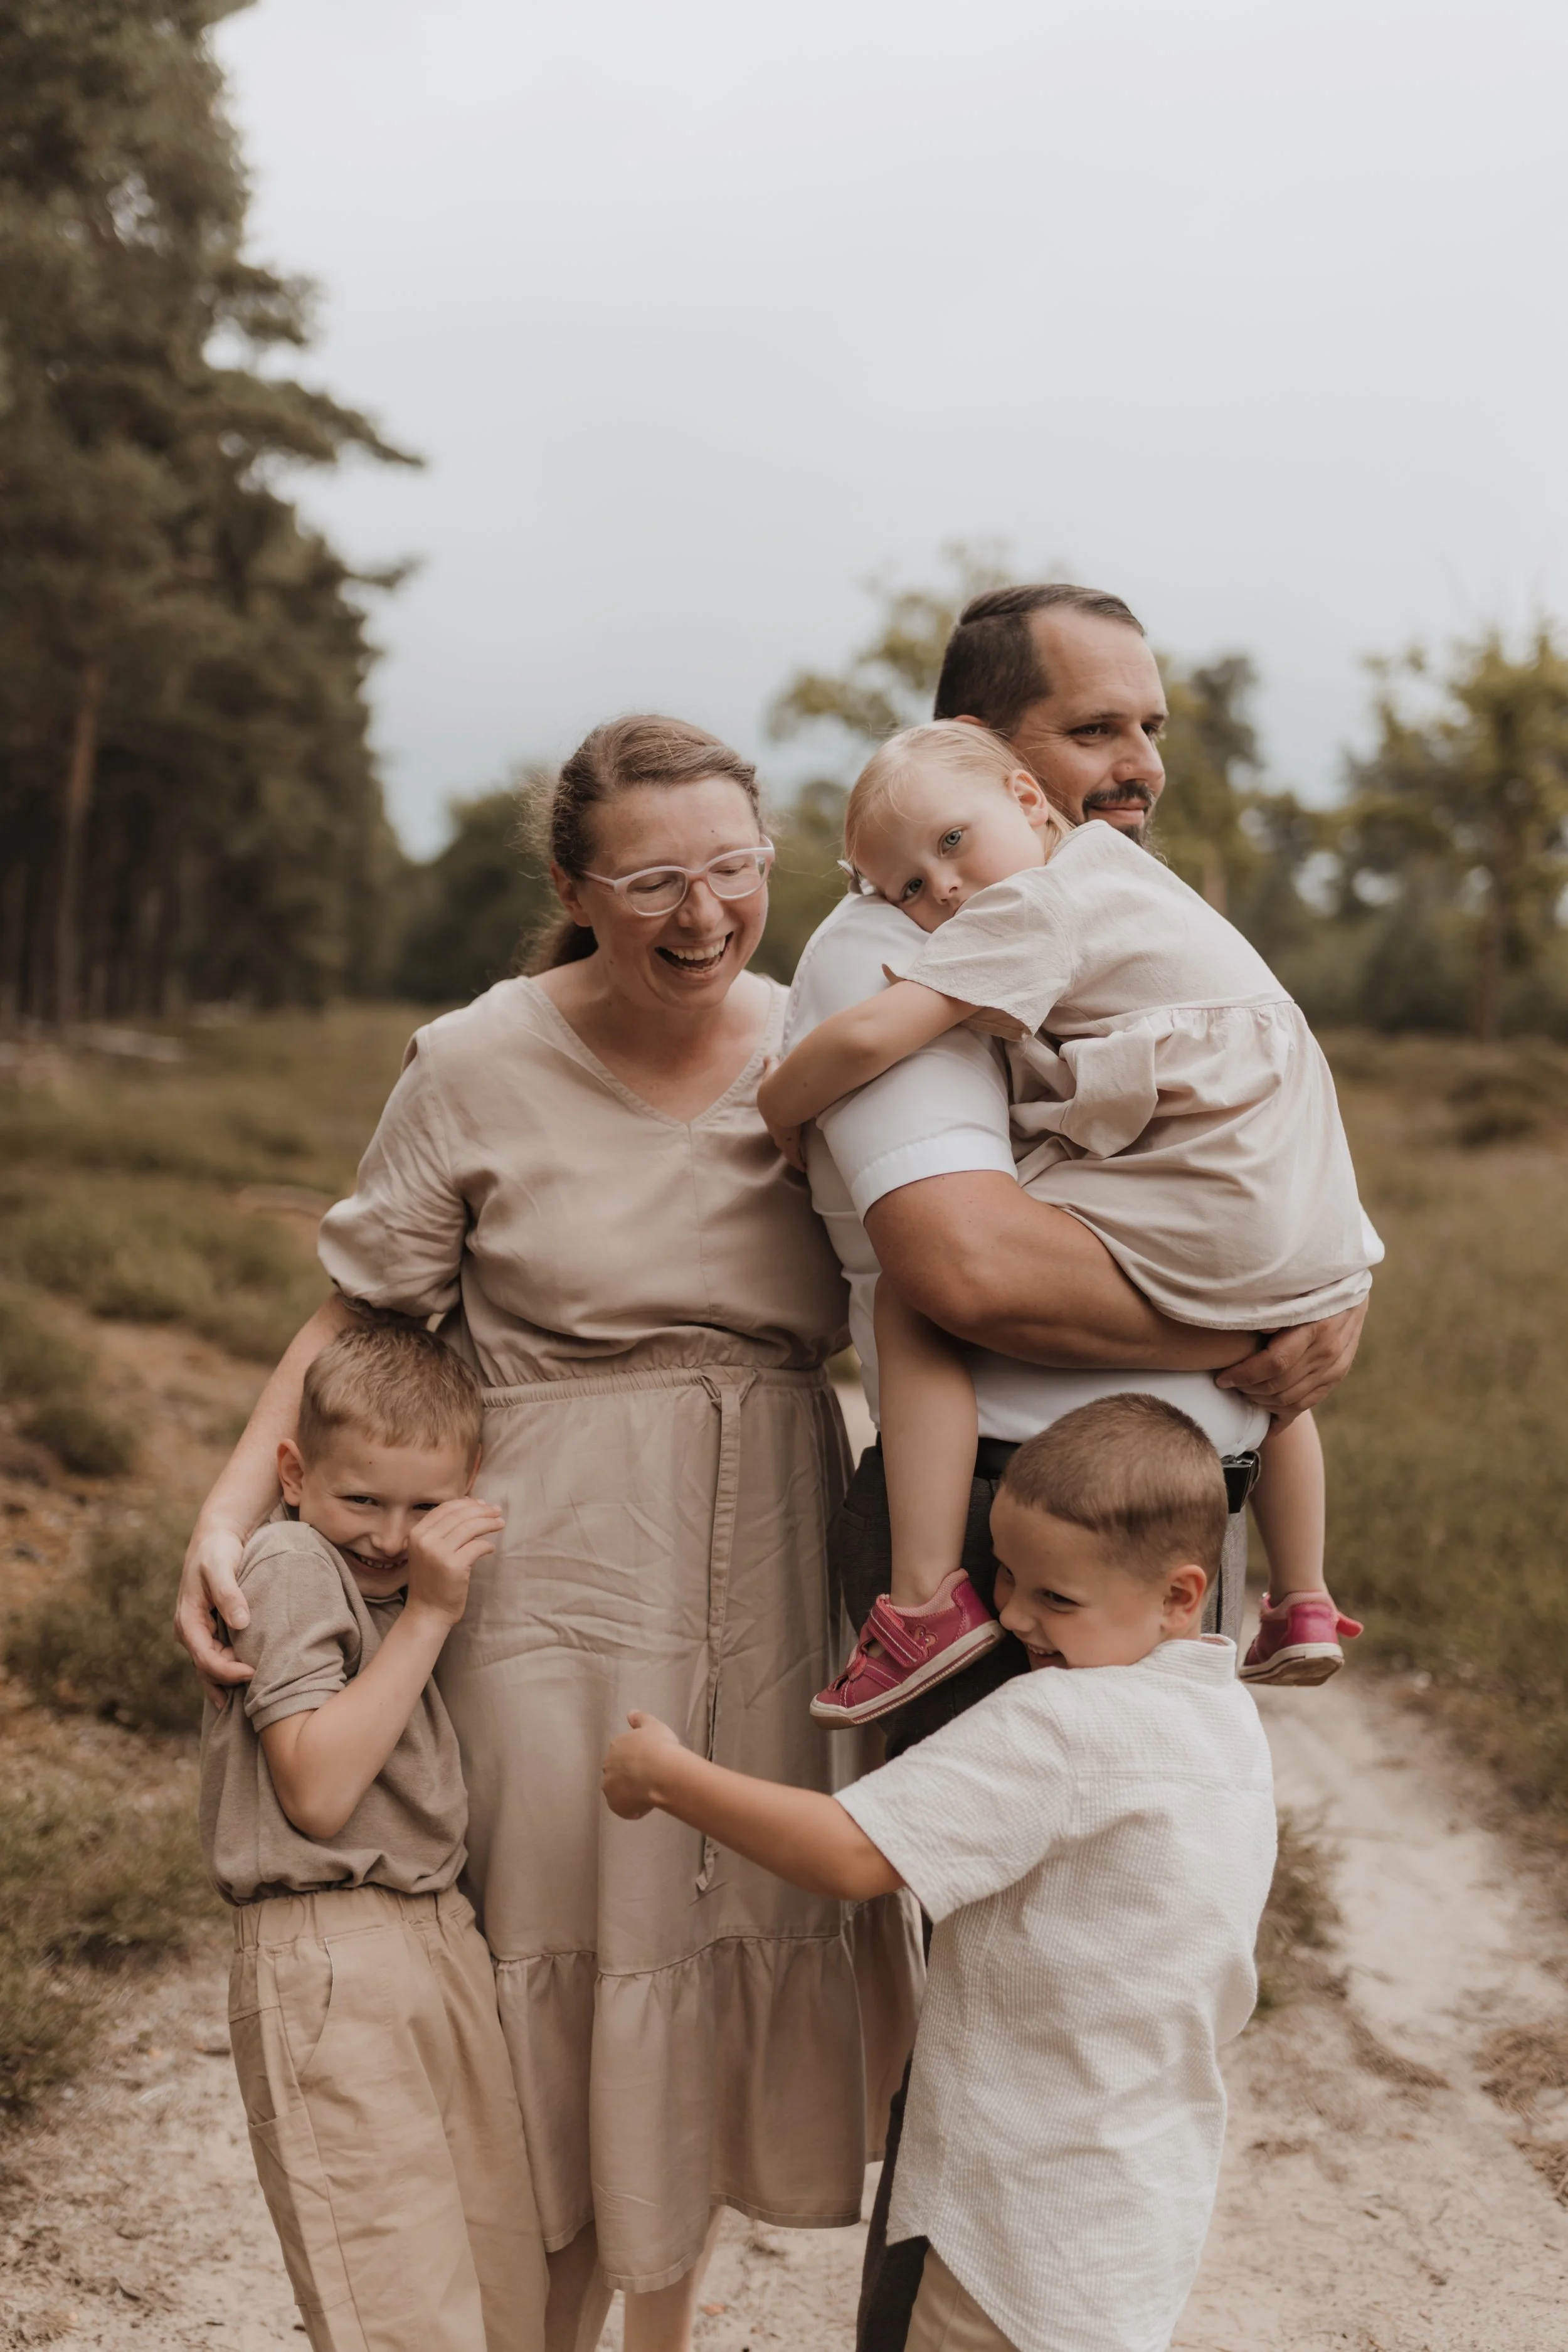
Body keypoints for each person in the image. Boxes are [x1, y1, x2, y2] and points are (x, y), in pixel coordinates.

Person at [176, 716, 923, 2352]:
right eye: (653, 877)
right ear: (578, 885)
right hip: (545, 1566)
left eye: (733, 869)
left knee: (723, 1926)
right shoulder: (477, 1057)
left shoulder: (827, 1032)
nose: (701, 911)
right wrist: (237, 1501)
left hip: (768, 1560)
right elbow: (358, 1306)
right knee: (564, 1945)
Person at [782, 579, 1367, 2352]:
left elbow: (1261, 1172)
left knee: (1125, 1986)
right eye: (1094, 726)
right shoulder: (892, 939)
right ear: (991, 748)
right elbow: (958, 1267)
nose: (1138, 764)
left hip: (1168, 1548)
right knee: (994, 2011)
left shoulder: (1108, 908)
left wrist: (1324, 1301)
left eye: (1150, 728)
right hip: (1007, 1540)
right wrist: (1255, 1307)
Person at [603, 1395, 1278, 2352]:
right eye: (1004, 1575)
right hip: (1136, 2212)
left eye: (1056, 1598)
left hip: (1005, 2216)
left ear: (1180, 1593)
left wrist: (672, 1777)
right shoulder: (1225, 1721)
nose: (1010, 1616)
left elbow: (848, 1852)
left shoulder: (1060, 1721)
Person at [761, 720, 1374, 1722]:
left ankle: (923, 1603)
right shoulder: (1133, 888)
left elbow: (876, 1031)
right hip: (1282, 1188)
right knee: (1281, 1385)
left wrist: (777, 1105)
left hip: (1210, 1184)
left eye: (953, 844)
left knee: (921, 1297)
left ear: (1027, 797)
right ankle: (1304, 1597)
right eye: (908, 888)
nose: (941, 893)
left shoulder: (1038, 905)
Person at [199, 1320, 549, 2352]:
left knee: (500, 2290)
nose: (393, 1536)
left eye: (427, 1506)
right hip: (329, 1952)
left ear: (472, 1483)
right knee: (396, 2305)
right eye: (364, 1498)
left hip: (434, 1933)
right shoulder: (294, 1560)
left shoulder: (372, 1570)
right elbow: (315, 1788)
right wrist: (431, 1615)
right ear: (295, 1473)